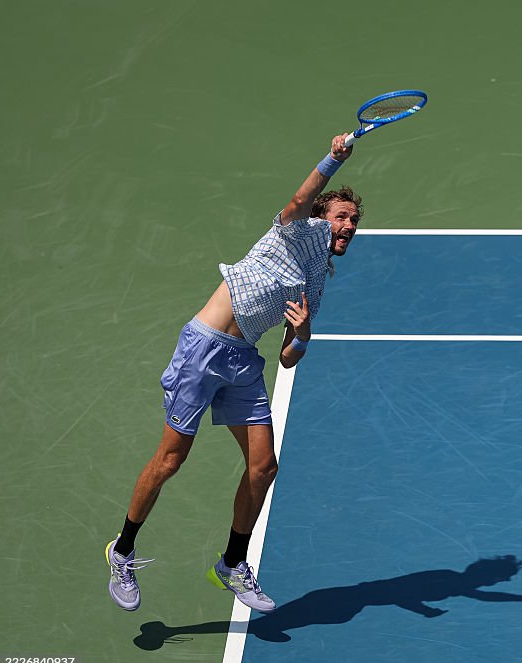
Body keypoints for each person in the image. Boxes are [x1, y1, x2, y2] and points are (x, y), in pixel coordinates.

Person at [106, 133, 362, 613]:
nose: (349, 225)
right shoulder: (293, 229)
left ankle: (231, 563)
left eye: (354, 220)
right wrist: (333, 158)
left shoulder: (317, 283)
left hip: (244, 362)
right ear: (322, 219)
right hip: (205, 347)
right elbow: (299, 199)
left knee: (264, 467)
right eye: (341, 216)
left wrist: (303, 334)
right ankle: (122, 550)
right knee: (170, 460)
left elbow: (287, 358)